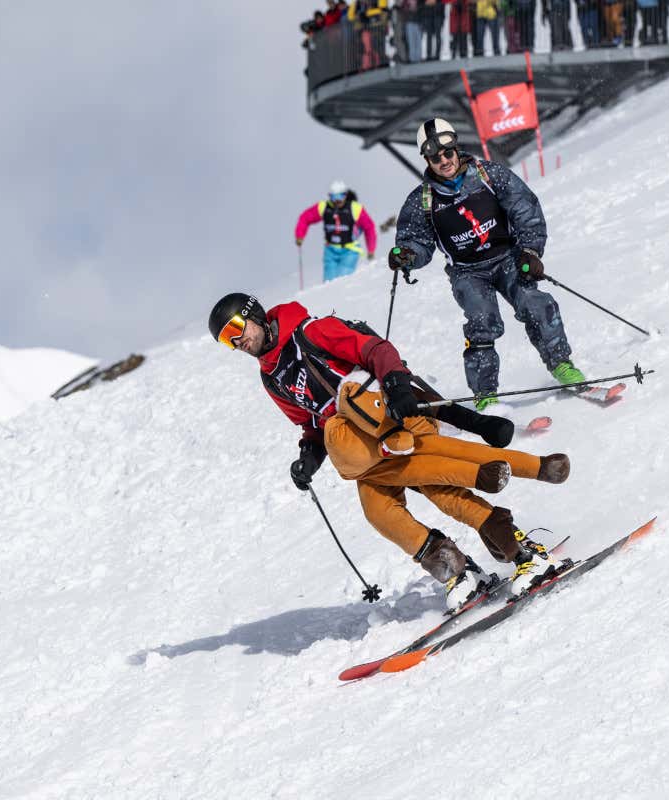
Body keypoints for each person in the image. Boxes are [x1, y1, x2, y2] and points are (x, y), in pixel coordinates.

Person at [207, 292, 570, 606]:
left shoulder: (310, 333)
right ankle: (457, 570)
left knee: (441, 489)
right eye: (226, 341)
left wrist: (396, 385)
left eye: (235, 330)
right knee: (379, 511)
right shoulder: (271, 377)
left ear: (254, 315)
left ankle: (525, 554)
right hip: (362, 449)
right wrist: (308, 458)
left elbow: (375, 350)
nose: (237, 342)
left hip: (394, 420)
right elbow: (311, 424)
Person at [390, 118, 585, 411]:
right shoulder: (422, 200)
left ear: (456, 149)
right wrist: (407, 255)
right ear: (427, 160)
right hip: (467, 272)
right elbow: (416, 242)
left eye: (447, 153)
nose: (444, 161)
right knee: (482, 320)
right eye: (435, 157)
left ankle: (562, 365)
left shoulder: (488, 174)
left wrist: (530, 251)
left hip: (507, 258)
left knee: (535, 303)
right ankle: (485, 395)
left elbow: (525, 209)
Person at [295, 180, 378, 282]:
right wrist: (300, 235)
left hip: (349, 251)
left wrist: (371, 249)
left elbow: (369, 227)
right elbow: (305, 218)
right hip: (330, 251)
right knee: (328, 283)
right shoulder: (324, 207)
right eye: (334, 197)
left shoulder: (355, 208)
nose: (337, 200)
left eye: (340, 196)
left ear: (345, 195)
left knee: (341, 280)